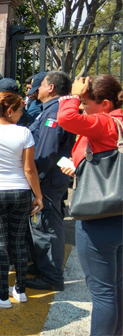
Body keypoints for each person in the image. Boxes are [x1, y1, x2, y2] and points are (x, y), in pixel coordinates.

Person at [57, 75, 123, 336]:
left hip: (100, 217)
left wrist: (71, 96)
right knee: (117, 288)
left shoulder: (106, 123)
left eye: (85, 102)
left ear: (104, 104)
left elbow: (66, 119)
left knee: (103, 292)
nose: (82, 108)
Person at [0, 79, 44, 309]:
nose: (21, 114)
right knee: (19, 241)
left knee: (0, 244)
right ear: (11, 110)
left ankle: (2, 295)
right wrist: (38, 196)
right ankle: (20, 290)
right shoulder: (24, 133)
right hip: (20, 191)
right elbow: (29, 169)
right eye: (20, 110)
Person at [26, 71, 75, 291]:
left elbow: (45, 154)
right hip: (49, 179)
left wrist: (33, 180)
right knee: (43, 224)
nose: (38, 89)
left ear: (51, 88)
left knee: (45, 226)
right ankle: (42, 266)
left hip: (46, 181)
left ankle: (51, 276)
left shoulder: (54, 112)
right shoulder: (51, 109)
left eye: (42, 85)